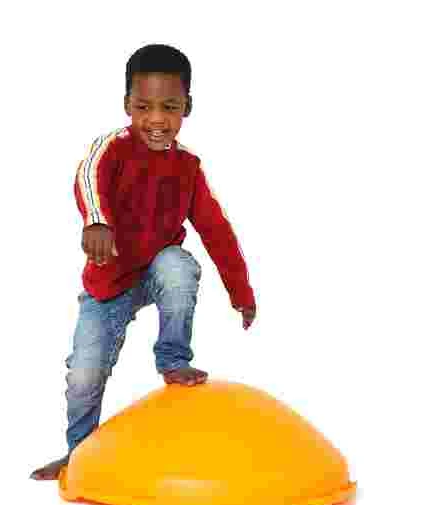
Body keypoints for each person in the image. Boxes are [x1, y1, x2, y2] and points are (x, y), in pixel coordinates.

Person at [30, 44, 257, 480]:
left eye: (169, 107)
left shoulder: (188, 167)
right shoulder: (112, 148)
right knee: (83, 375)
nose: (156, 119)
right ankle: (79, 456)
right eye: (143, 107)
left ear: (187, 107)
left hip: (155, 272)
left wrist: (241, 292)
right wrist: (96, 221)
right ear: (127, 106)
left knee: (179, 264)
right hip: (109, 281)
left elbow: (217, 231)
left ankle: (173, 358)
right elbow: (87, 178)